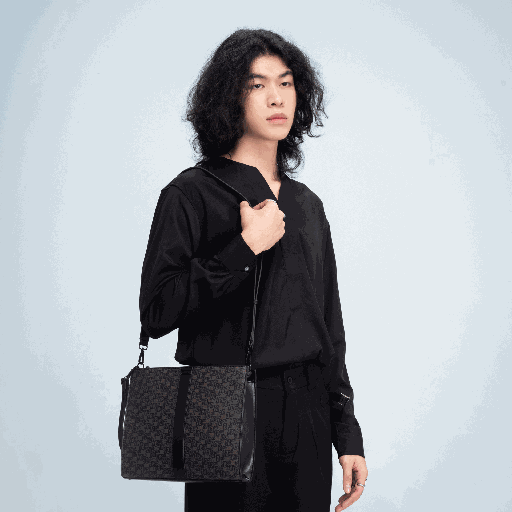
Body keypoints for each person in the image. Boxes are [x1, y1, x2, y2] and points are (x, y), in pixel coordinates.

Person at [139, 28, 368, 511]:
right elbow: (157, 311)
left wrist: (347, 433)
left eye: (285, 83)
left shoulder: (306, 205)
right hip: (222, 404)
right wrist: (244, 247)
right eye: (256, 85)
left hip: (306, 413)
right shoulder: (191, 193)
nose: (276, 98)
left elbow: (329, 328)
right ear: (229, 97)